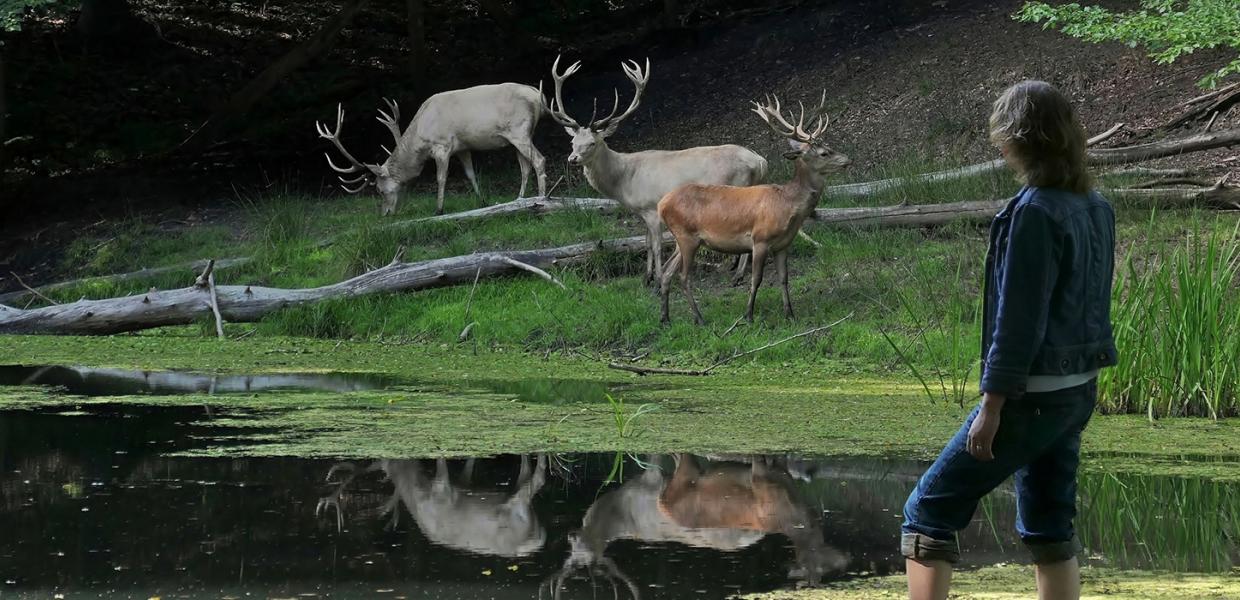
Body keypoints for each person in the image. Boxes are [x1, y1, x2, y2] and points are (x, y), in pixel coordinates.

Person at [900, 80, 1118, 600]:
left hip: (1031, 398)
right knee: (1049, 524)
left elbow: (1019, 321)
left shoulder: (1036, 212)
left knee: (928, 511)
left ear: (1019, 139)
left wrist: (992, 407)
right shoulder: (1095, 205)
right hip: (1077, 391)